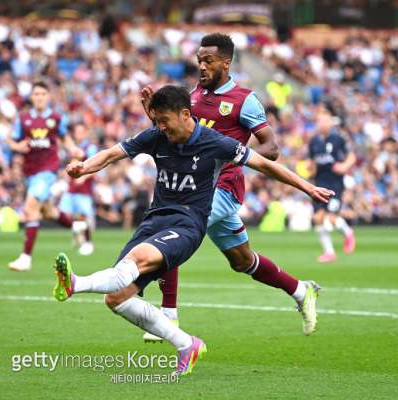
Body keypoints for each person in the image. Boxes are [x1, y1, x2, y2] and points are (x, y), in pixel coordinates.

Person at [52, 85, 334, 376]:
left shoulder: (217, 143)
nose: (160, 127)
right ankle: (187, 344)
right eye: (157, 121)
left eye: (164, 121)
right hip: (154, 220)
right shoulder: (157, 136)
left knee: (134, 262)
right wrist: (84, 168)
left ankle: (75, 283)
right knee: (117, 298)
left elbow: (266, 164)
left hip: (187, 225)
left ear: (185, 114)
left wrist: (308, 188)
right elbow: (112, 154)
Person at [140, 33, 320, 342]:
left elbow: (272, 148)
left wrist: (231, 159)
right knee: (242, 261)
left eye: (208, 61)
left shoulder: (244, 100)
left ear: (226, 61)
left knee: (172, 228)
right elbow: (178, 136)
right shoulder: (192, 98)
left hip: (223, 188)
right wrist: (156, 118)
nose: (202, 67)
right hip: (198, 187)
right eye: (199, 61)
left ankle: (168, 314)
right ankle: (301, 290)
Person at [7, 81, 87, 272]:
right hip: (30, 172)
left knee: (30, 208)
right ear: (32, 97)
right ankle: (75, 226)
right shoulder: (23, 119)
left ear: (48, 97)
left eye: (43, 93)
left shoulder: (56, 118)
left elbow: (64, 138)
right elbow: (12, 140)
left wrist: (73, 148)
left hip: (47, 170)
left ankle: (25, 258)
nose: (40, 97)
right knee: (48, 212)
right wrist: (16, 146)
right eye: (36, 94)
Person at [307, 110, 356, 262]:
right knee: (319, 217)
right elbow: (312, 161)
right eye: (321, 121)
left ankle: (348, 232)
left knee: (332, 217)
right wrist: (309, 167)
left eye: (326, 121)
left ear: (331, 123)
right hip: (319, 183)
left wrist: (344, 166)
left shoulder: (338, 139)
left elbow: (352, 156)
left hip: (335, 183)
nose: (323, 124)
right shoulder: (313, 141)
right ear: (318, 123)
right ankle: (329, 252)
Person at [58, 123, 98, 255]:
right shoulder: (73, 149)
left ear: (86, 133)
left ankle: (88, 243)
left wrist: (84, 178)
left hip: (84, 188)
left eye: (81, 132)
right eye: (77, 132)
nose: (78, 134)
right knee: (63, 213)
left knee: (82, 216)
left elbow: (97, 166)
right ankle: (77, 233)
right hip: (71, 187)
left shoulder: (90, 148)